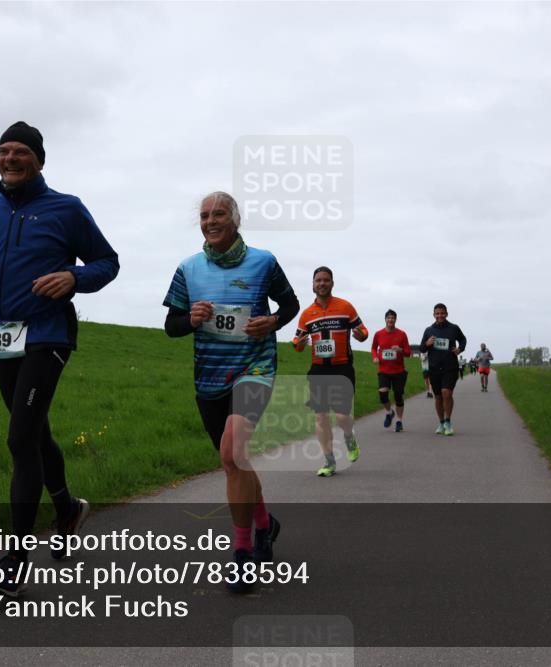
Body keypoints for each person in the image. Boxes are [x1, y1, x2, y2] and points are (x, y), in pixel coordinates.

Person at [0, 121, 120, 597]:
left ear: (39, 160)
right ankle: (67, 508)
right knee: (35, 431)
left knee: (19, 436)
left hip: (48, 334)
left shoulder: (66, 208)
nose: (10, 158)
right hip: (3, 336)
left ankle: (15, 557)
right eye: (3, 150)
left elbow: (106, 262)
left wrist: (73, 278)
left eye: (20, 152)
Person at [163, 192, 299, 593]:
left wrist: (271, 322)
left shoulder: (263, 261)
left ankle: (242, 555)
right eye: (204, 215)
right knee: (235, 461)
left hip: (256, 368)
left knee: (231, 453)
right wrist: (192, 318)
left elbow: (290, 305)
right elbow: (171, 325)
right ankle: (264, 524)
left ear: (235, 219)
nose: (210, 221)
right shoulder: (188, 269)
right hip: (209, 377)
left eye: (218, 213)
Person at [293, 267, 368, 476]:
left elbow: (363, 331)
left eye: (326, 280)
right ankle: (329, 461)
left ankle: (349, 437)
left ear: (332, 283)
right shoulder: (307, 314)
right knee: (321, 416)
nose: (322, 284)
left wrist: (360, 335)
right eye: (318, 280)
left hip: (342, 367)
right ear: (313, 285)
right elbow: (297, 342)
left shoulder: (345, 307)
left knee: (342, 416)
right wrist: (299, 343)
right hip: (318, 369)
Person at [419, 303, 466, 436]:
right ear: (434, 315)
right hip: (434, 368)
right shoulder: (428, 330)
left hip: (450, 366)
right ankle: (441, 423)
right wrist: (427, 344)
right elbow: (422, 348)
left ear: (446, 313)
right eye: (437, 313)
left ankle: (448, 422)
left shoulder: (454, 328)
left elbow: (463, 340)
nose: (440, 315)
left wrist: (460, 349)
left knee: (446, 392)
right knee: (438, 397)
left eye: (442, 313)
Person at [370, 309, 412, 432]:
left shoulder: (402, 334)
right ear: (385, 319)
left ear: (395, 320)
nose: (390, 320)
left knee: (398, 396)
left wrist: (400, 350)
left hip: (399, 370)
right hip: (384, 369)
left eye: (392, 318)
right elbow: (373, 348)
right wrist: (375, 357)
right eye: (388, 317)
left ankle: (399, 421)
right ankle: (389, 412)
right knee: (383, 394)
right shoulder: (378, 334)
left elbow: (408, 353)